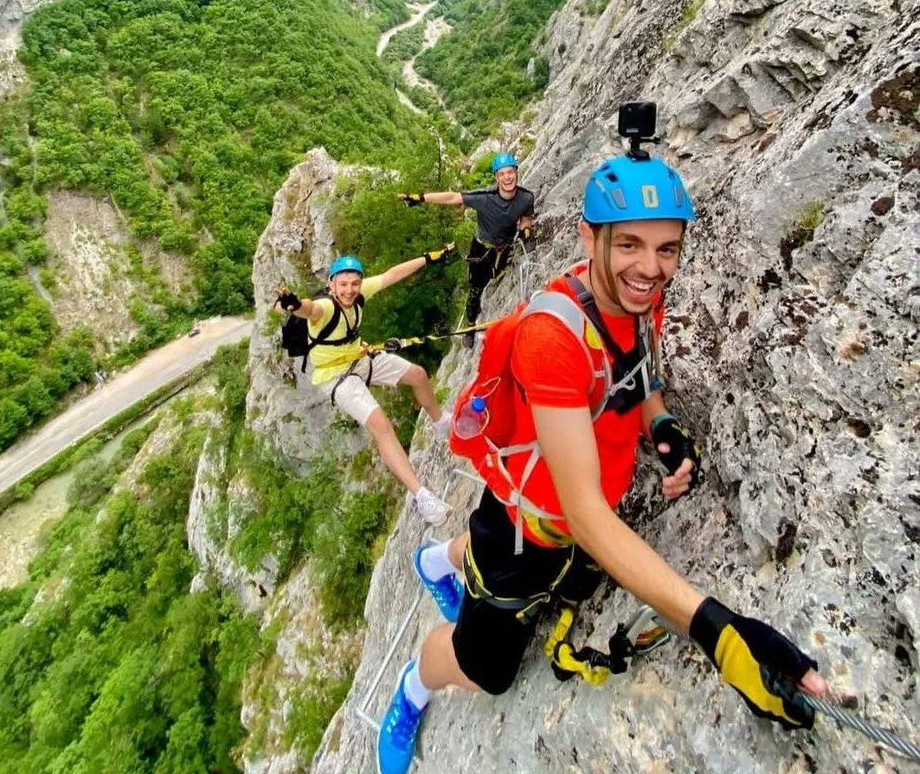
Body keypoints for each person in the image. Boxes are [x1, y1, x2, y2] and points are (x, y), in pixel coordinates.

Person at [377, 153, 829, 774]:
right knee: (485, 669)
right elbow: (584, 513)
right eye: (632, 245)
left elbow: (639, 378)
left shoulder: (638, 300)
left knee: (519, 541)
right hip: (530, 531)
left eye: (667, 249)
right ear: (590, 237)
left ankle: (437, 559)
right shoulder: (553, 340)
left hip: (565, 508)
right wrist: (717, 632)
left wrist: (661, 423)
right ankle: (414, 686)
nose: (650, 268)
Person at [275, 247, 456, 526]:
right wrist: (295, 305)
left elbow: (392, 274)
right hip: (334, 377)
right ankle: (422, 497)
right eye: (343, 284)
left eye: (354, 284)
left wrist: (429, 257)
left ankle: (440, 421)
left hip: (359, 358)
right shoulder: (325, 308)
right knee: (381, 425)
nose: (349, 290)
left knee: (418, 375)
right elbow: (310, 308)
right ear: (331, 285)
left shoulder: (359, 294)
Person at [400, 153, 534, 348]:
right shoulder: (484, 198)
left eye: (510, 172)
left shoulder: (526, 197)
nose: (507, 178)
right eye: (502, 174)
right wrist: (421, 198)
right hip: (481, 249)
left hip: (504, 248)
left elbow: (525, 217)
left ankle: (494, 284)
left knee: (499, 276)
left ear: (516, 173)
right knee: (475, 291)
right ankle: (470, 327)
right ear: (496, 178)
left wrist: (526, 229)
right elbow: (453, 197)